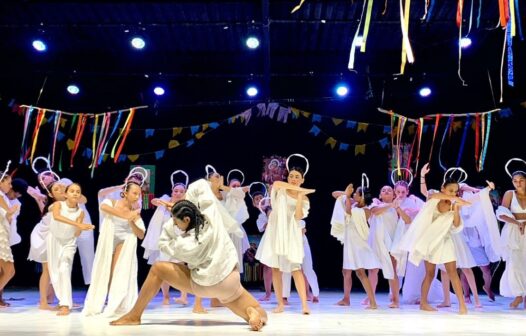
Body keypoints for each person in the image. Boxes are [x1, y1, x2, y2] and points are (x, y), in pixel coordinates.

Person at [110, 180, 267, 331]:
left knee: (158, 268)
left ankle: (134, 315)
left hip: (207, 285)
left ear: (186, 219)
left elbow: (163, 243)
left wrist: (172, 220)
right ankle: (251, 314)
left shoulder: (185, 243)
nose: (176, 225)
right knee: (260, 312)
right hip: (230, 280)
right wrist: (184, 206)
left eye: (177, 222)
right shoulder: (211, 216)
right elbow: (200, 185)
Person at [393, 173, 470, 314]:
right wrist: (454, 199)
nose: (453, 194)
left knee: (453, 273)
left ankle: (462, 305)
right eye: (451, 190)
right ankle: (423, 303)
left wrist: (457, 209)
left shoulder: (454, 205)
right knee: (430, 273)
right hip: (431, 242)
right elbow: (434, 196)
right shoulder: (435, 199)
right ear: (443, 189)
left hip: (446, 241)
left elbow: (457, 225)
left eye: (455, 191)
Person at [255, 154, 314, 314]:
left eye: (297, 177)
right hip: (275, 232)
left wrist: (301, 195)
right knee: (275, 268)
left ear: (302, 179)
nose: (294, 179)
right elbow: (277, 182)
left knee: (295, 268)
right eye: (292, 176)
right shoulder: (279, 189)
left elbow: (298, 216)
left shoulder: (305, 199)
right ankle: (280, 303)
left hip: (291, 234)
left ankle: (304, 305)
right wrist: (298, 189)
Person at [83, 180, 145, 317]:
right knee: (103, 268)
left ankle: (114, 301)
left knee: (117, 270)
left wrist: (131, 220)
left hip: (124, 240)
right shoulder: (111, 201)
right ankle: (102, 299)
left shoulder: (135, 212)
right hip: (108, 237)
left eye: (139, 194)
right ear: (125, 193)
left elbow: (141, 234)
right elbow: (104, 208)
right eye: (134, 193)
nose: (137, 196)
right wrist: (126, 215)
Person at [330, 179, 380, 309]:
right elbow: (334, 194)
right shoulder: (354, 205)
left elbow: (348, 212)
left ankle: (373, 302)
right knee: (346, 271)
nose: (353, 195)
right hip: (350, 243)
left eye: (355, 194)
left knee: (360, 272)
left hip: (358, 245)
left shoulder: (365, 210)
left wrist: (346, 196)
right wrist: (345, 193)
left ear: (362, 196)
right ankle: (346, 299)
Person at [47, 183, 94, 315]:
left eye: (78, 192)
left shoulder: (81, 212)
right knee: (55, 273)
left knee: (64, 268)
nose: (75, 193)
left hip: (69, 242)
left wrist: (82, 227)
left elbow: (76, 234)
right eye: (72, 191)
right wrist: (78, 224)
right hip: (54, 240)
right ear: (65, 194)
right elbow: (57, 217)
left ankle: (65, 305)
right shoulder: (58, 205)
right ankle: (62, 300)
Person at [496, 158, 526, 309]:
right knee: (514, 264)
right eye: (515, 181)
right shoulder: (509, 194)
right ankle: (518, 295)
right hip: (514, 232)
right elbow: (501, 214)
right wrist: (517, 222)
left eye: (521, 180)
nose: (518, 183)